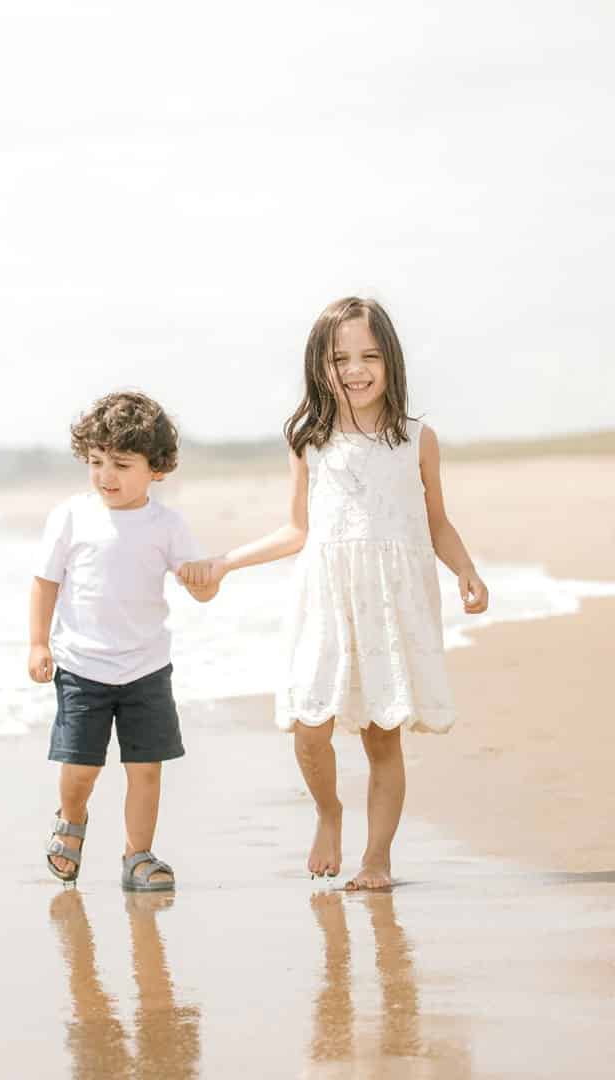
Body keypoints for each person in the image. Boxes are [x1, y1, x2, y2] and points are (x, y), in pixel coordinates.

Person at [178, 297, 488, 890]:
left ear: (391, 360)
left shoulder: (417, 439)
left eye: (369, 355)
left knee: (381, 735)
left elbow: (435, 522)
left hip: (390, 604)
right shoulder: (309, 439)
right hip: (327, 599)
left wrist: (466, 570)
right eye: (340, 357)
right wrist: (226, 562)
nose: (355, 369)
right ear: (319, 365)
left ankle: (377, 859)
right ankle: (328, 812)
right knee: (309, 723)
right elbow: (297, 529)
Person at [28, 391, 218, 890]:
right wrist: (38, 643)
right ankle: (71, 820)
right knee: (80, 769)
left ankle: (138, 856)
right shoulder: (71, 516)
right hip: (81, 667)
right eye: (95, 462)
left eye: (120, 463)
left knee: (146, 770)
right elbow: (45, 581)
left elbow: (200, 589)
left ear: (156, 468)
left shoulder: (168, 525)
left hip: (146, 670)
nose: (105, 475)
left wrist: (205, 579)